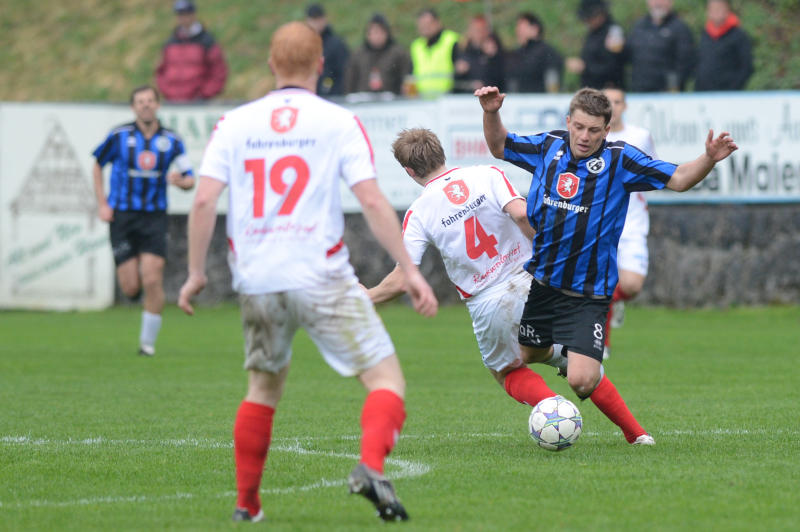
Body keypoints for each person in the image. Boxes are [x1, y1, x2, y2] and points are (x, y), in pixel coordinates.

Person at [177, 21, 438, 523]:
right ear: (321, 65)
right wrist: (410, 270)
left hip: (258, 279)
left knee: (262, 390)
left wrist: (194, 273)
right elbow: (371, 200)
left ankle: (247, 505)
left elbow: (205, 199)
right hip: (322, 276)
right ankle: (370, 467)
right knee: (385, 379)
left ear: (271, 64)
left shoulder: (234, 123)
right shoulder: (338, 121)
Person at [475, 85, 738, 444]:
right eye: (579, 127)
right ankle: (569, 355)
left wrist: (708, 158)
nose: (584, 136)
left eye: (594, 130)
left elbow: (678, 179)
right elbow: (499, 145)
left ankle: (632, 430)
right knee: (530, 353)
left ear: (607, 130)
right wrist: (491, 112)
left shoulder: (620, 160)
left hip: (588, 293)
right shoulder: (548, 146)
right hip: (544, 284)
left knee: (581, 381)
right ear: (568, 121)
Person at [367, 128, 659, 445]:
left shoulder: (419, 212)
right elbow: (521, 215)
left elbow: (402, 279)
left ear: (409, 171)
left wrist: (365, 296)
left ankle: (552, 406)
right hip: (534, 281)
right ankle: (637, 434)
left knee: (505, 370)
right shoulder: (487, 175)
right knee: (572, 359)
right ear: (441, 153)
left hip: (488, 303)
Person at [92, 85, 195, 356]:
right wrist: (102, 203)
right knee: (130, 287)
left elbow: (190, 178)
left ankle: (147, 345)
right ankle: (136, 296)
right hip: (122, 217)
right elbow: (97, 164)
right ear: (133, 107)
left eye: (150, 100)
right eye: (140, 101)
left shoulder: (172, 140)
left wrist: (180, 181)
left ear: (158, 105)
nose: (146, 105)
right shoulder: (119, 136)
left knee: (152, 277)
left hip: (154, 217)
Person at [601, 87, 658, 359]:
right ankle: (602, 345)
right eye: (607, 101)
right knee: (600, 284)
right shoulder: (593, 137)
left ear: (624, 106)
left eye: (617, 101)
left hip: (632, 221)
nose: (612, 106)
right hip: (600, 223)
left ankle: (614, 303)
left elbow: (653, 169)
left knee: (632, 286)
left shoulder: (640, 137)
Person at [155, 0, 228, 102]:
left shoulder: (207, 41)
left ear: (194, 14)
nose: (183, 18)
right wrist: (167, 91)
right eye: (180, 14)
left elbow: (218, 72)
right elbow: (161, 72)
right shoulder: (170, 42)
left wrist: (204, 95)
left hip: (198, 104)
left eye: (187, 14)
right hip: (173, 102)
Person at [627, 0, 695, 92]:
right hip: (640, 91)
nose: (657, 3)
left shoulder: (680, 29)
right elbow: (627, 56)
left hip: (666, 93)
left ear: (670, 2)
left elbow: (686, 63)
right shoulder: (639, 26)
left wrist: (674, 85)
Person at [344, 13, 411, 96]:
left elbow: (405, 78)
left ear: (387, 33)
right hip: (363, 98)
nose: (377, 36)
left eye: (381, 32)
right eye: (374, 32)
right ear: (368, 34)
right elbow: (350, 80)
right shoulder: (358, 54)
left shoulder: (398, 53)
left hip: (391, 99)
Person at [566, 0, 627, 90]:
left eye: (589, 18)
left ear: (600, 15)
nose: (587, 21)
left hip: (608, 89)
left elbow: (613, 66)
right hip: (591, 88)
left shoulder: (614, 32)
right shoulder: (593, 33)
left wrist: (585, 68)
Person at [695, 0, 753, 91]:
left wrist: (733, 88)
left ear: (727, 10)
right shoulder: (705, 34)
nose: (715, 12)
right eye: (712, 9)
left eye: (718, 9)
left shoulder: (739, 35)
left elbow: (746, 67)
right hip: (703, 92)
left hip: (728, 93)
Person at [506, 12, 563, 93]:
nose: (518, 30)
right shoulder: (516, 53)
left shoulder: (546, 52)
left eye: (522, 27)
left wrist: (551, 96)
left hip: (540, 99)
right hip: (518, 99)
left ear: (535, 29)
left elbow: (552, 79)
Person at [409, 8, 461, 98]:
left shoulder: (452, 40)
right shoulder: (416, 46)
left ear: (438, 23)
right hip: (422, 100)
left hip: (448, 98)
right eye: (422, 25)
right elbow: (411, 74)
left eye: (428, 24)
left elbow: (461, 69)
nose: (425, 28)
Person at [453, 15, 505, 93]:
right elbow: (456, 82)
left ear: (487, 31)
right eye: (476, 30)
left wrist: (493, 58)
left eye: (481, 30)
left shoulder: (495, 49)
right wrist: (459, 72)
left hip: (488, 94)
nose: (479, 33)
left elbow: (501, 77)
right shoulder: (461, 49)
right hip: (466, 95)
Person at [306, 3, 349, 97]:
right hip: (310, 96)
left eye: (318, 19)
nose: (316, 24)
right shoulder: (304, 45)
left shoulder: (337, 44)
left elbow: (344, 72)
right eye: (313, 20)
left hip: (333, 96)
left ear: (324, 19)